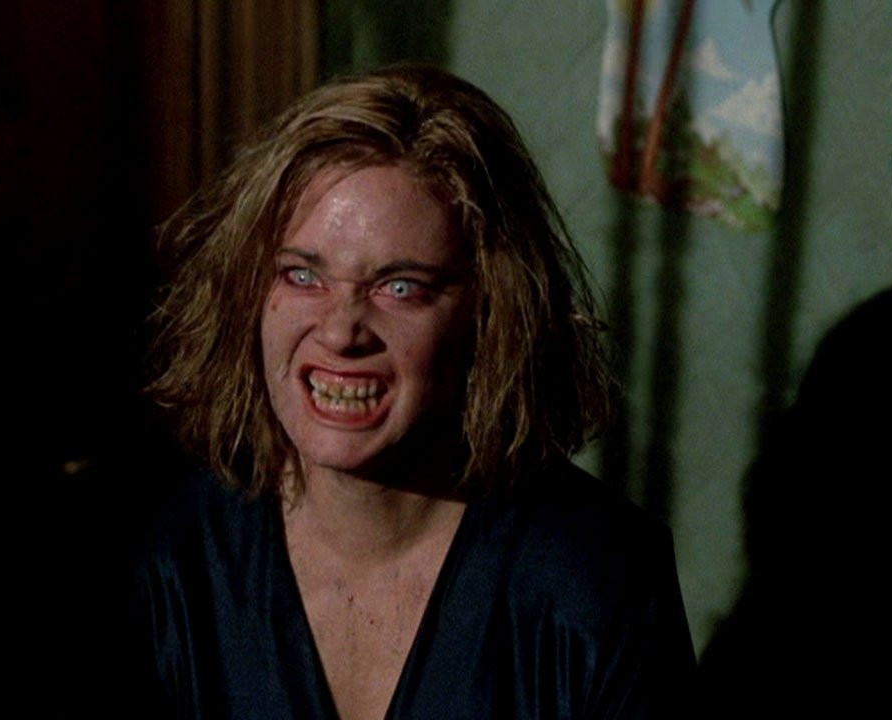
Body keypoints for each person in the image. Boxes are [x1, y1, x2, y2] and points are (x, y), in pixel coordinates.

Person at [134, 65, 695, 719]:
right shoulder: (177, 561)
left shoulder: (596, 583)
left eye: (400, 287)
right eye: (303, 275)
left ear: (490, 315)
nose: (340, 331)